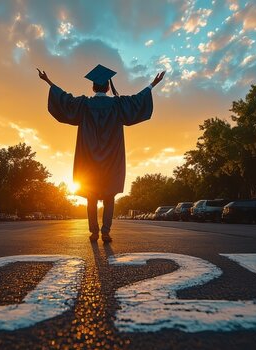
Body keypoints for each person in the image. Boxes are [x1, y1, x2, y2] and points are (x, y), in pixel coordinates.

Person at [37, 64, 165, 242]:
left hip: (89, 160)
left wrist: (48, 81)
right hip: (111, 160)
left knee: (91, 197)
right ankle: (106, 231)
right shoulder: (118, 105)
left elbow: (65, 99)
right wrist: (153, 83)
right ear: (107, 87)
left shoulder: (83, 105)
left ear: (93, 87)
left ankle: (94, 232)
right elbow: (137, 100)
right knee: (109, 196)